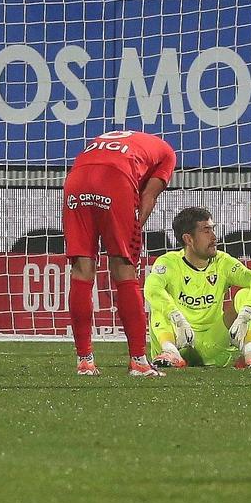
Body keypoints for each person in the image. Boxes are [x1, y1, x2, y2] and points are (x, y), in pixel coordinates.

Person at [61, 129, 176, 377]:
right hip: (114, 180)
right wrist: (134, 228)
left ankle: (85, 361)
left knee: (81, 269)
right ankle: (138, 361)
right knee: (124, 268)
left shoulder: (113, 139)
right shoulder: (167, 154)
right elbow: (149, 196)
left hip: (76, 180)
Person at [145, 206, 251, 370]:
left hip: (213, 345)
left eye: (213, 229)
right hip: (177, 341)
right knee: (159, 301)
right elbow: (151, 288)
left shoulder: (223, 262)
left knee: (247, 295)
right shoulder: (168, 262)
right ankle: (169, 352)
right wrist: (176, 316)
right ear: (188, 239)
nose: (214, 237)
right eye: (206, 231)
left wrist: (245, 314)